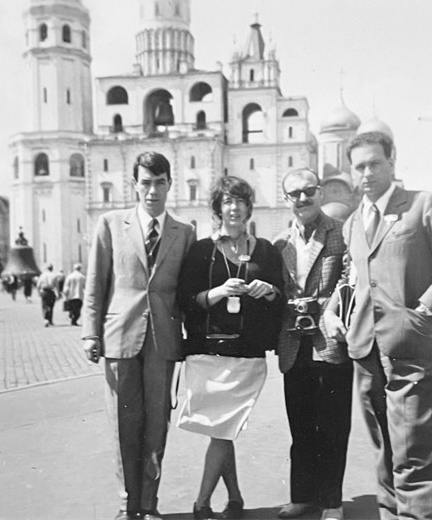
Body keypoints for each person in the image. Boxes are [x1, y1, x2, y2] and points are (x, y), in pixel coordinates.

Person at [324, 131, 432, 520]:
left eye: (375, 163)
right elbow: (352, 277)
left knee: (414, 452)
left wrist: (423, 311)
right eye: (359, 167)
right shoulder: (354, 222)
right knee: (384, 450)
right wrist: (333, 310)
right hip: (365, 349)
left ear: (392, 163)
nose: (367, 173)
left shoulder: (422, 205)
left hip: (412, 348)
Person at [81, 151, 196, 520]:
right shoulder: (111, 223)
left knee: (155, 426)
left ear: (169, 185)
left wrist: (192, 342)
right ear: (135, 185)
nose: (152, 191)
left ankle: (149, 505)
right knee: (122, 424)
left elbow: (185, 291)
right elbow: (96, 282)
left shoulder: (185, 232)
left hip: (163, 341)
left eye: (159, 183)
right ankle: (126, 504)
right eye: (145, 182)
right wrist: (90, 333)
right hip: (119, 337)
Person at [177, 176, 284, 520]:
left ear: (249, 208)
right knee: (223, 430)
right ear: (217, 209)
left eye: (240, 201)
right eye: (227, 202)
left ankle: (202, 504)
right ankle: (232, 497)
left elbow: (280, 298)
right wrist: (219, 292)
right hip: (207, 353)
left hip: (247, 355)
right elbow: (186, 300)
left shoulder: (265, 249)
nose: (234, 208)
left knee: (224, 428)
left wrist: (267, 289)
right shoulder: (202, 250)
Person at [273, 169, 352, 520]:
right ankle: (303, 496)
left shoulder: (340, 233)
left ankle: (331, 502)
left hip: (329, 339)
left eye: (308, 191)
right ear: (286, 198)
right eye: (295, 194)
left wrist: (331, 307)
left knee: (333, 426)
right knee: (300, 426)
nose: (302, 199)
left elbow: (350, 276)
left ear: (319, 193)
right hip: (293, 343)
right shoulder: (279, 244)